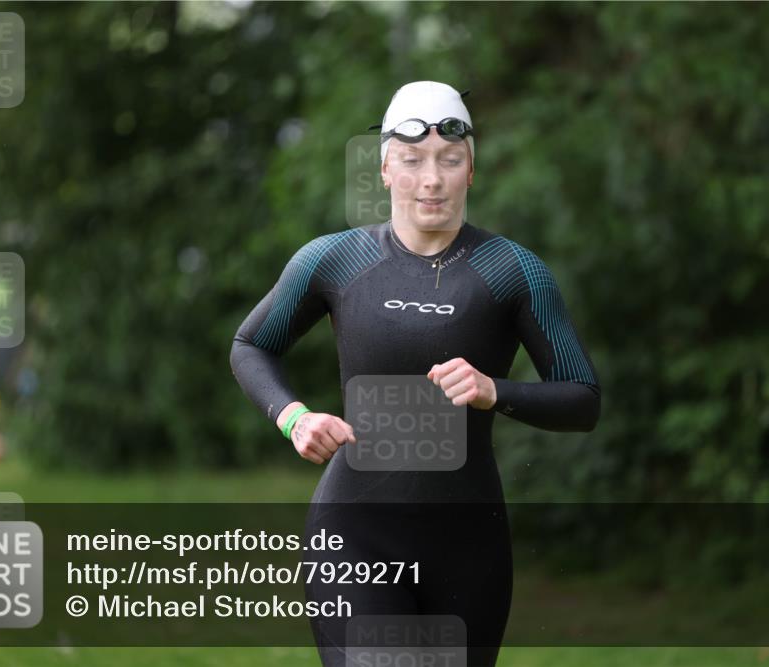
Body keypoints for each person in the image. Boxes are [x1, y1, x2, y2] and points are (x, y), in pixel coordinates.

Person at [231, 81, 600, 666]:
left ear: (471, 170)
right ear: (384, 170)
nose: (432, 179)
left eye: (449, 161)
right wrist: (294, 417)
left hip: (469, 545)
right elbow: (251, 345)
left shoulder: (513, 271)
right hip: (355, 535)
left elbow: (582, 400)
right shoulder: (335, 260)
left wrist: (494, 390)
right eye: (412, 160)